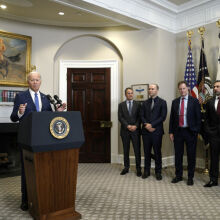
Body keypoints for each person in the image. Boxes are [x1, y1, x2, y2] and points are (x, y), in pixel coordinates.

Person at [10, 71, 66, 211]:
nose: (35, 82)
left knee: (43, 170)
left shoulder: (45, 98)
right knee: (27, 170)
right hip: (27, 139)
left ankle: (42, 197)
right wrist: (19, 113)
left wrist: (57, 112)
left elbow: (48, 119)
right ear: (28, 82)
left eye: (37, 80)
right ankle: (25, 199)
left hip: (43, 140)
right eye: (32, 80)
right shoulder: (21, 96)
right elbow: (13, 117)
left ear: (40, 81)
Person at [169, 81, 201, 186]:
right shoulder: (175, 102)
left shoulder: (194, 101)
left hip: (190, 132)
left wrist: (195, 131)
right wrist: (171, 132)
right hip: (178, 132)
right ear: (179, 90)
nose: (182, 91)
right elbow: (172, 119)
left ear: (187, 88)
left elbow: (198, 118)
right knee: (178, 155)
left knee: (191, 155)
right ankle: (178, 175)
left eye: (184, 88)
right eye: (180, 89)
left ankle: (190, 177)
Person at [140, 84, 167, 180]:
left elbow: (163, 117)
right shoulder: (145, 103)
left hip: (157, 131)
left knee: (157, 152)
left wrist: (152, 125)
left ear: (157, 90)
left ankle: (158, 172)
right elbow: (141, 116)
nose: (150, 90)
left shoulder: (162, 102)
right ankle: (146, 171)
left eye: (152, 89)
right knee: (146, 152)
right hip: (146, 132)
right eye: (149, 89)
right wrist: (146, 125)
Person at [118, 87, 142, 177]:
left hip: (135, 131)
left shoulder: (138, 104)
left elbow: (140, 117)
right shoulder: (121, 105)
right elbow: (120, 117)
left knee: (137, 151)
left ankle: (138, 168)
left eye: (132, 93)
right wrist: (127, 126)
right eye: (128, 93)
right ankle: (126, 167)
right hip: (125, 131)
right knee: (126, 150)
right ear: (125, 94)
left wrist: (135, 126)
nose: (130, 94)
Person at [204, 80, 220, 187]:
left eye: (218, 86)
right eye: (214, 87)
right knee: (214, 158)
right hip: (214, 135)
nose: (215, 88)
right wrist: (209, 132)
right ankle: (213, 180)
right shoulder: (210, 101)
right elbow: (206, 119)